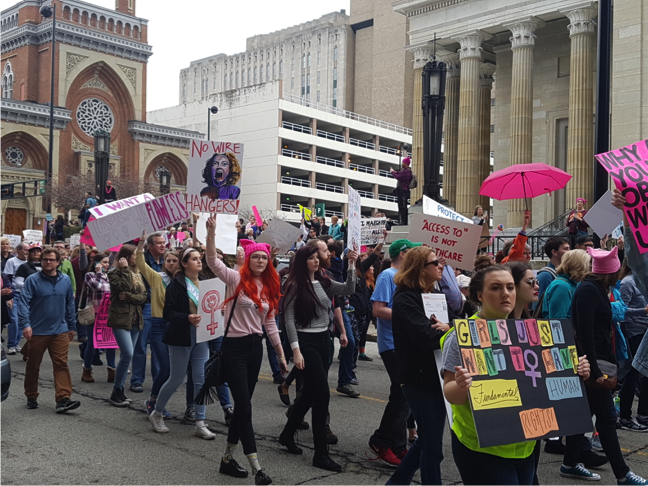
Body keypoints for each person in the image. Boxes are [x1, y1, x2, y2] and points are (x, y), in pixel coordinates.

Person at [441, 262, 591, 486]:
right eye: (496, 288)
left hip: (525, 445)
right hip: (483, 447)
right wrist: (461, 385)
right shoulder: (462, 336)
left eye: (510, 287)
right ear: (479, 295)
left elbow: (542, 384)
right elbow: (450, 393)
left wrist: (576, 371)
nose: (505, 294)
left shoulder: (531, 333)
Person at [205, 219, 287, 486]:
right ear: (249, 259)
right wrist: (211, 234)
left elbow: (270, 323)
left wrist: (280, 353)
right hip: (233, 349)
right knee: (245, 408)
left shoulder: (270, 287)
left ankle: (227, 459)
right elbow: (213, 262)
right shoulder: (235, 278)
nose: (261, 261)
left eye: (265, 258)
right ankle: (257, 469)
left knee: (242, 407)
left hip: (255, 350)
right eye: (257, 257)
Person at [566, 246, 648, 486]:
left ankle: (570, 462)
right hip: (594, 365)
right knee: (608, 420)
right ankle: (622, 474)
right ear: (611, 272)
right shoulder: (590, 290)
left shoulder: (595, 289)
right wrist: (594, 368)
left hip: (597, 362)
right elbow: (585, 332)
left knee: (584, 416)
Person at [279, 245, 357, 471]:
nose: (316, 260)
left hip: (325, 341)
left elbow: (348, 288)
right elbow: (290, 319)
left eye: (317, 257)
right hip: (306, 342)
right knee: (322, 395)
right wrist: (295, 350)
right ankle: (320, 454)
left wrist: (351, 263)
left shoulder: (324, 281)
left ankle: (286, 435)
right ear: (302, 261)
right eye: (311, 258)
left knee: (309, 394)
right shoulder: (294, 285)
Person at [385, 247, 451, 486]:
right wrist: (449, 331)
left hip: (437, 375)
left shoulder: (433, 294)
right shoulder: (405, 298)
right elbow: (426, 337)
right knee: (433, 449)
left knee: (428, 441)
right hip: (418, 378)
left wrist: (449, 328)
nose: (441, 266)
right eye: (436, 263)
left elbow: (448, 325)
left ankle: (395, 483)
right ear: (421, 269)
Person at [148, 246, 215, 440]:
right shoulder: (176, 285)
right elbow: (168, 313)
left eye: (199, 258)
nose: (199, 261)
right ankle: (157, 412)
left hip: (201, 335)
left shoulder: (205, 282)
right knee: (176, 378)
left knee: (201, 379)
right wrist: (187, 317)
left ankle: (200, 423)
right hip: (181, 335)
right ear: (184, 264)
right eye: (194, 259)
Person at [368, 239, 422, 468]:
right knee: (402, 395)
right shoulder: (388, 275)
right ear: (403, 253)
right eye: (412, 251)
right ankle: (381, 440)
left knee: (403, 394)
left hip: (404, 344)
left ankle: (397, 446)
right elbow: (378, 309)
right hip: (391, 344)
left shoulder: (405, 278)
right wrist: (406, 315)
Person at [19, 247, 80, 413]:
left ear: (58, 262)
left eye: (51, 260)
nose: (47, 262)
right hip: (37, 330)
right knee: (33, 365)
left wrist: (71, 326)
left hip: (59, 329)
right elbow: (23, 302)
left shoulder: (66, 280)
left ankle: (63, 399)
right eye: (45, 259)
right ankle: (31, 395)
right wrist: (26, 324)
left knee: (61, 364)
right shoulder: (33, 280)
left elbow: (69, 303)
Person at [107, 245, 148, 406]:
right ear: (125, 257)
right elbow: (122, 287)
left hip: (136, 318)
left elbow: (143, 296)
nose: (136, 258)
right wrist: (124, 269)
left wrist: (130, 297)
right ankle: (116, 390)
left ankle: (120, 391)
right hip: (121, 318)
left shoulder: (138, 274)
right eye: (133, 255)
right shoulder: (114, 273)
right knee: (127, 354)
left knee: (127, 356)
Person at [130, 232, 165, 394]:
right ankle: (137, 380)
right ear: (150, 246)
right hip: (146, 306)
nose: (163, 245)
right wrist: (141, 241)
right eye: (159, 243)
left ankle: (160, 380)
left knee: (159, 347)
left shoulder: (167, 262)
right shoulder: (144, 263)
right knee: (141, 346)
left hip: (163, 309)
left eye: (164, 242)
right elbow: (138, 260)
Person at [617, 260, 648, 430]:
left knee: (644, 374)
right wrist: (642, 311)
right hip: (634, 332)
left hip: (645, 330)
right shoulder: (628, 282)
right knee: (632, 376)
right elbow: (621, 310)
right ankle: (625, 417)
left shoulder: (644, 281)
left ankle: (643, 414)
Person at [81, 252, 116, 383]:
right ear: (96, 263)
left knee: (110, 342)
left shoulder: (110, 275)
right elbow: (97, 286)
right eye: (104, 262)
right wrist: (99, 272)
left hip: (109, 313)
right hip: (95, 313)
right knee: (93, 343)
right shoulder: (90, 275)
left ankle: (112, 369)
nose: (106, 265)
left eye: (107, 262)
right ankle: (87, 369)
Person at [4, 242, 29, 354]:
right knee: (14, 319)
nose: (27, 252)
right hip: (15, 293)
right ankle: (11, 345)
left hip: (26, 294)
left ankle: (17, 343)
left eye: (29, 250)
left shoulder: (30, 263)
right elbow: (7, 278)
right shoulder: (11, 261)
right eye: (25, 250)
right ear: (18, 250)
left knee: (21, 319)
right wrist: (9, 295)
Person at [536, 237, 570, 308]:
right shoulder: (545, 276)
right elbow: (538, 306)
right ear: (554, 252)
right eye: (566, 249)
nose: (570, 252)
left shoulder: (565, 273)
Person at [390, 157, 413, 225]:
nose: (402, 163)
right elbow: (399, 173)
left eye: (403, 162)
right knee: (401, 206)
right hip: (402, 190)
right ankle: (402, 220)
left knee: (402, 206)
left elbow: (398, 176)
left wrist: (392, 172)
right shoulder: (406, 171)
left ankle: (403, 221)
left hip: (403, 190)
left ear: (406, 164)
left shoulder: (407, 172)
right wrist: (394, 172)